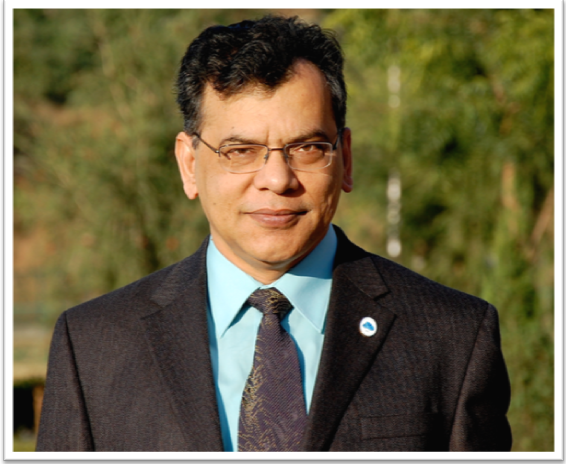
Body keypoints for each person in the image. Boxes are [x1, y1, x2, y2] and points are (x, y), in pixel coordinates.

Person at [36, 15, 512, 452]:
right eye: (240, 151)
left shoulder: (451, 338)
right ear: (189, 164)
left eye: (307, 147)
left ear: (345, 158)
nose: (277, 179)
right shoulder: (95, 346)